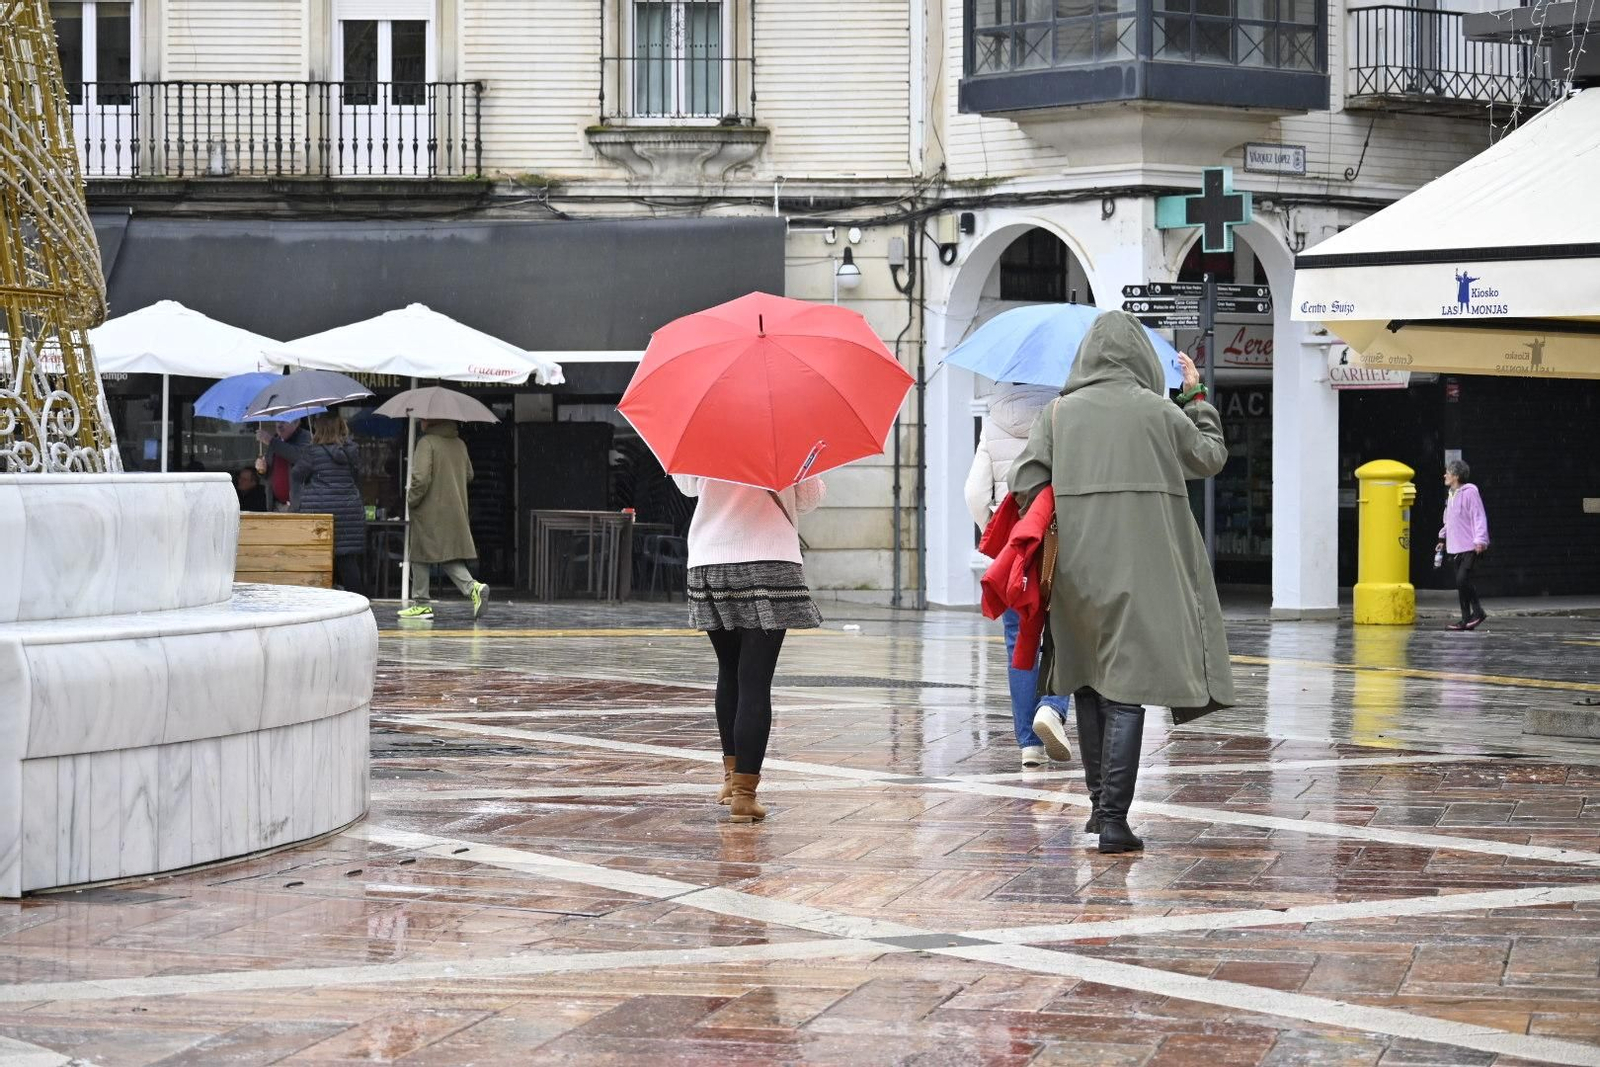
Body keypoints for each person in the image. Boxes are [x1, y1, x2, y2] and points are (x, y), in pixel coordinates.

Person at [1010, 311, 1234, 855]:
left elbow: (1024, 482)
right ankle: (1112, 821)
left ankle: (1098, 810)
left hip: (1076, 572)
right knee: (1126, 689)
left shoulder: (1059, 414)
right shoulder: (1158, 410)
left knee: (1087, 682)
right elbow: (1209, 457)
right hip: (1144, 571)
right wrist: (1196, 396)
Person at [674, 474, 825, 824]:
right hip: (770, 559)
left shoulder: (704, 440)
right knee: (755, 680)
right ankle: (745, 796)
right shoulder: (790, 442)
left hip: (710, 558)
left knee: (729, 671)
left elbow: (687, 487)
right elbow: (808, 499)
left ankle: (731, 781)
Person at [965, 384, 1074, 769]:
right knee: (1064, 632)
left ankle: (1029, 744)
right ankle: (1052, 708)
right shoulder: (1064, 414)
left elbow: (974, 493)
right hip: (1060, 543)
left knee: (1019, 640)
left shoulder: (995, 420)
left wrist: (996, 531)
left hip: (1015, 548)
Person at [399, 419, 488, 620]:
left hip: (429, 509)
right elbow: (469, 474)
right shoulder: (459, 443)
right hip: (455, 509)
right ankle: (473, 588)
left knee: (420, 552)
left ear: (433, 420)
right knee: (447, 555)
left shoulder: (427, 442)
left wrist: (411, 499)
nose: (421, 420)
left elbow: (421, 479)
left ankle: (421, 603)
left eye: (424, 418)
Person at [292, 414, 368, 597]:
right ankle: (359, 601)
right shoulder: (351, 450)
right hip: (349, 510)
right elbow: (357, 477)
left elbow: (297, 475)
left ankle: (318, 601)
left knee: (317, 559)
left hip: (320, 512)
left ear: (319, 429)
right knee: (347, 560)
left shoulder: (312, 452)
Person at [1436, 459, 1490, 631]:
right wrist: (1442, 539)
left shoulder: (1470, 492)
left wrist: (1480, 540)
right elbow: (1448, 520)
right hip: (1455, 547)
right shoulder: (1451, 495)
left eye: (1448, 473)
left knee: (1462, 579)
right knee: (1461, 583)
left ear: (1456, 476)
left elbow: (1478, 515)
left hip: (1470, 546)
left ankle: (1478, 612)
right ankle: (1465, 619)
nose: (1445, 475)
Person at [255, 419, 310, 512]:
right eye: (277, 421)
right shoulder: (276, 440)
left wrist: (270, 441)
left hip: (298, 506)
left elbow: (298, 457)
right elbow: (269, 475)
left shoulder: (305, 437)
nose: (279, 425)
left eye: (283, 421)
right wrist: (262, 470)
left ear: (296, 423)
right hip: (276, 505)